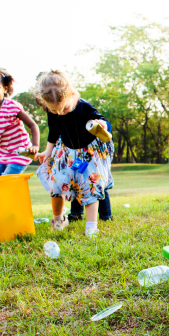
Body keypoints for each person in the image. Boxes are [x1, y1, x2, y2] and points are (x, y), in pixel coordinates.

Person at [34, 70, 114, 237]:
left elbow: (104, 120)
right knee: (56, 182)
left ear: (71, 93)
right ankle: (58, 219)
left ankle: (92, 227)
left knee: (90, 185)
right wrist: (48, 151)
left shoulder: (83, 107)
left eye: (64, 108)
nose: (60, 113)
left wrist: (102, 124)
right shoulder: (52, 109)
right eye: (55, 110)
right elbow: (53, 131)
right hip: (67, 152)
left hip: (89, 151)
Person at [0, 66, 40, 176]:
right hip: (3, 154)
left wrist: (35, 145)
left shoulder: (11, 107)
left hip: (20, 152)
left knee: (5, 181)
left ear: (4, 89)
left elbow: (33, 125)